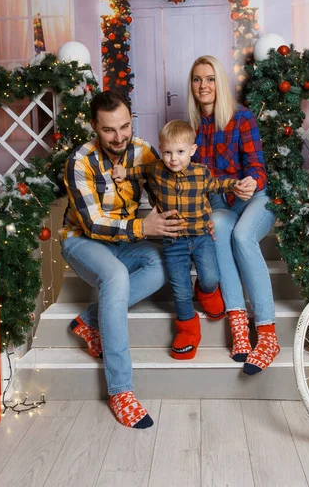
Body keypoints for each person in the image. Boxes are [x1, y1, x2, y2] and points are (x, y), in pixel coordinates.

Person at [60, 90, 185, 429]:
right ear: (93, 127)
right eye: (109, 130)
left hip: (127, 239)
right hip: (82, 242)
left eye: (125, 127)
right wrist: (143, 225)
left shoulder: (144, 152)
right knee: (115, 276)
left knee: (163, 265)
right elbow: (93, 223)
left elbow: (167, 192)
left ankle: (88, 320)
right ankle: (120, 391)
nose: (119, 137)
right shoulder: (79, 161)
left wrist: (189, 220)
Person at [113, 120, 240, 360]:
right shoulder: (157, 169)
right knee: (180, 289)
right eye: (168, 152)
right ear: (161, 151)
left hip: (201, 237)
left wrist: (235, 185)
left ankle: (207, 291)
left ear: (192, 150)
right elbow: (141, 171)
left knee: (211, 275)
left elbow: (217, 185)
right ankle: (188, 330)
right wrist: (124, 173)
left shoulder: (201, 173)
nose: (173, 158)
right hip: (173, 241)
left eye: (180, 152)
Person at [187, 55, 280, 375]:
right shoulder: (192, 130)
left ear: (219, 82)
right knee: (219, 227)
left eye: (210, 78)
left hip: (255, 199)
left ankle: (267, 333)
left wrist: (251, 180)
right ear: (192, 86)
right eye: (197, 80)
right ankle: (239, 324)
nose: (204, 86)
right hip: (222, 205)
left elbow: (257, 167)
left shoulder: (242, 117)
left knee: (242, 236)